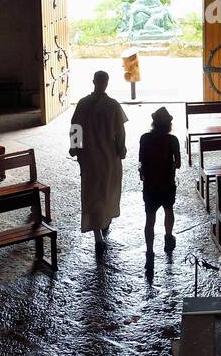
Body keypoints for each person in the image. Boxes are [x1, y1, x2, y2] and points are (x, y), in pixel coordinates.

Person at [69, 71, 128, 254]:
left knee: (92, 192)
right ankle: (104, 222)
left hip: (89, 157)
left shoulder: (83, 103)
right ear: (106, 83)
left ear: (93, 81)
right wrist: (121, 148)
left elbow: (75, 128)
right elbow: (120, 132)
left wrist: (74, 147)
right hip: (108, 157)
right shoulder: (112, 105)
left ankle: (98, 234)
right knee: (107, 190)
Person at [138, 106, 181, 274]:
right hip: (167, 183)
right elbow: (178, 163)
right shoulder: (173, 140)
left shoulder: (145, 138)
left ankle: (150, 252)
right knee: (169, 210)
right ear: (169, 125)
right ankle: (168, 238)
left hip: (150, 185)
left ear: (154, 123)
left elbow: (141, 160)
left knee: (149, 219)